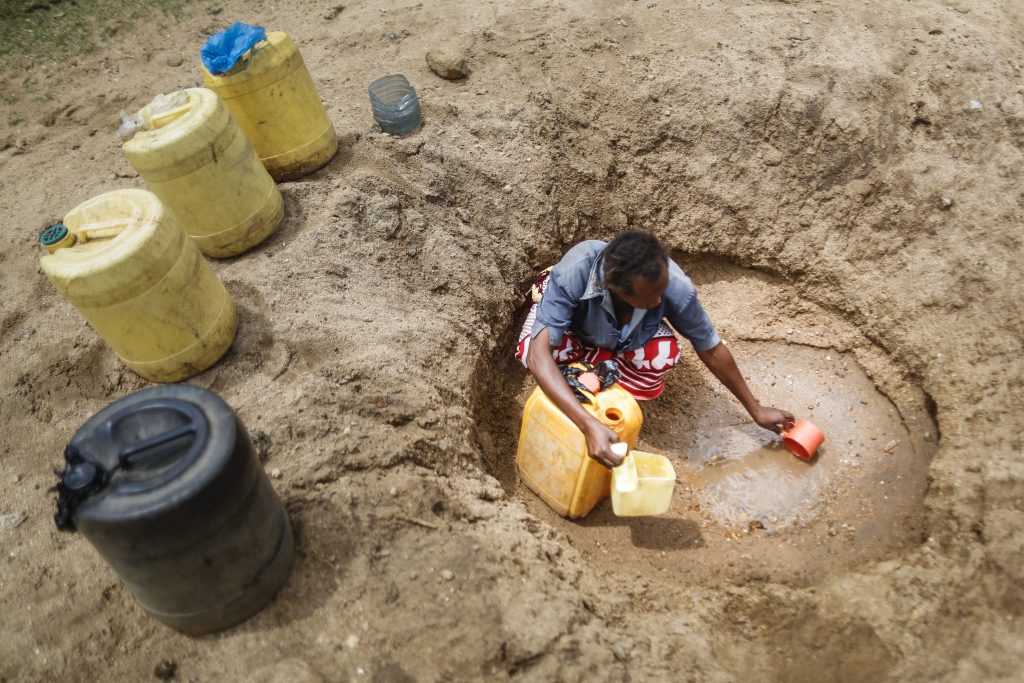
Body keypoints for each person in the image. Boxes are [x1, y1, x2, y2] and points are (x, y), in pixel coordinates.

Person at [516, 231, 794, 469]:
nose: (659, 301)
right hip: (574, 330)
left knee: (664, 353)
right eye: (649, 299)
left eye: (661, 293)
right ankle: (587, 372)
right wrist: (587, 424)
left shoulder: (672, 283)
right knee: (537, 352)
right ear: (615, 286)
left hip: (622, 341)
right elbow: (539, 355)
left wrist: (755, 409)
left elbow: (710, 347)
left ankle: (595, 370)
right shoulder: (577, 269)